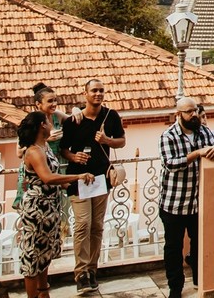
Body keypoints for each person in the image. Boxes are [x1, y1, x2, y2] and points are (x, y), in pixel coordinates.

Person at [159, 97, 214, 298]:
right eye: (188, 112)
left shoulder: (205, 131)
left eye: (195, 111)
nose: (193, 115)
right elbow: (171, 164)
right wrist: (197, 153)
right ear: (178, 115)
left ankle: (198, 279)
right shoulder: (168, 136)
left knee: (199, 243)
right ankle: (175, 287)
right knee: (173, 247)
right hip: (174, 202)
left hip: (198, 202)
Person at [15, 112, 93, 298]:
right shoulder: (33, 151)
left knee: (45, 252)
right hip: (37, 208)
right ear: (42, 125)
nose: (52, 124)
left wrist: (74, 186)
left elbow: (55, 178)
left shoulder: (46, 146)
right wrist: (78, 176)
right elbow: (48, 178)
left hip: (50, 206)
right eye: (49, 122)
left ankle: (43, 291)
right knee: (33, 254)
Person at [62, 78, 126, 295]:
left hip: (101, 179)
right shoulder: (74, 120)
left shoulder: (111, 116)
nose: (98, 94)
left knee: (97, 226)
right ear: (85, 93)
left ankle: (92, 270)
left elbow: (122, 141)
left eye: (101, 90)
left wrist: (107, 140)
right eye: (94, 90)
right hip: (79, 178)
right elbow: (63, 149)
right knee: (82, 225)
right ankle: (80, 273)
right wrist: (73, 157)